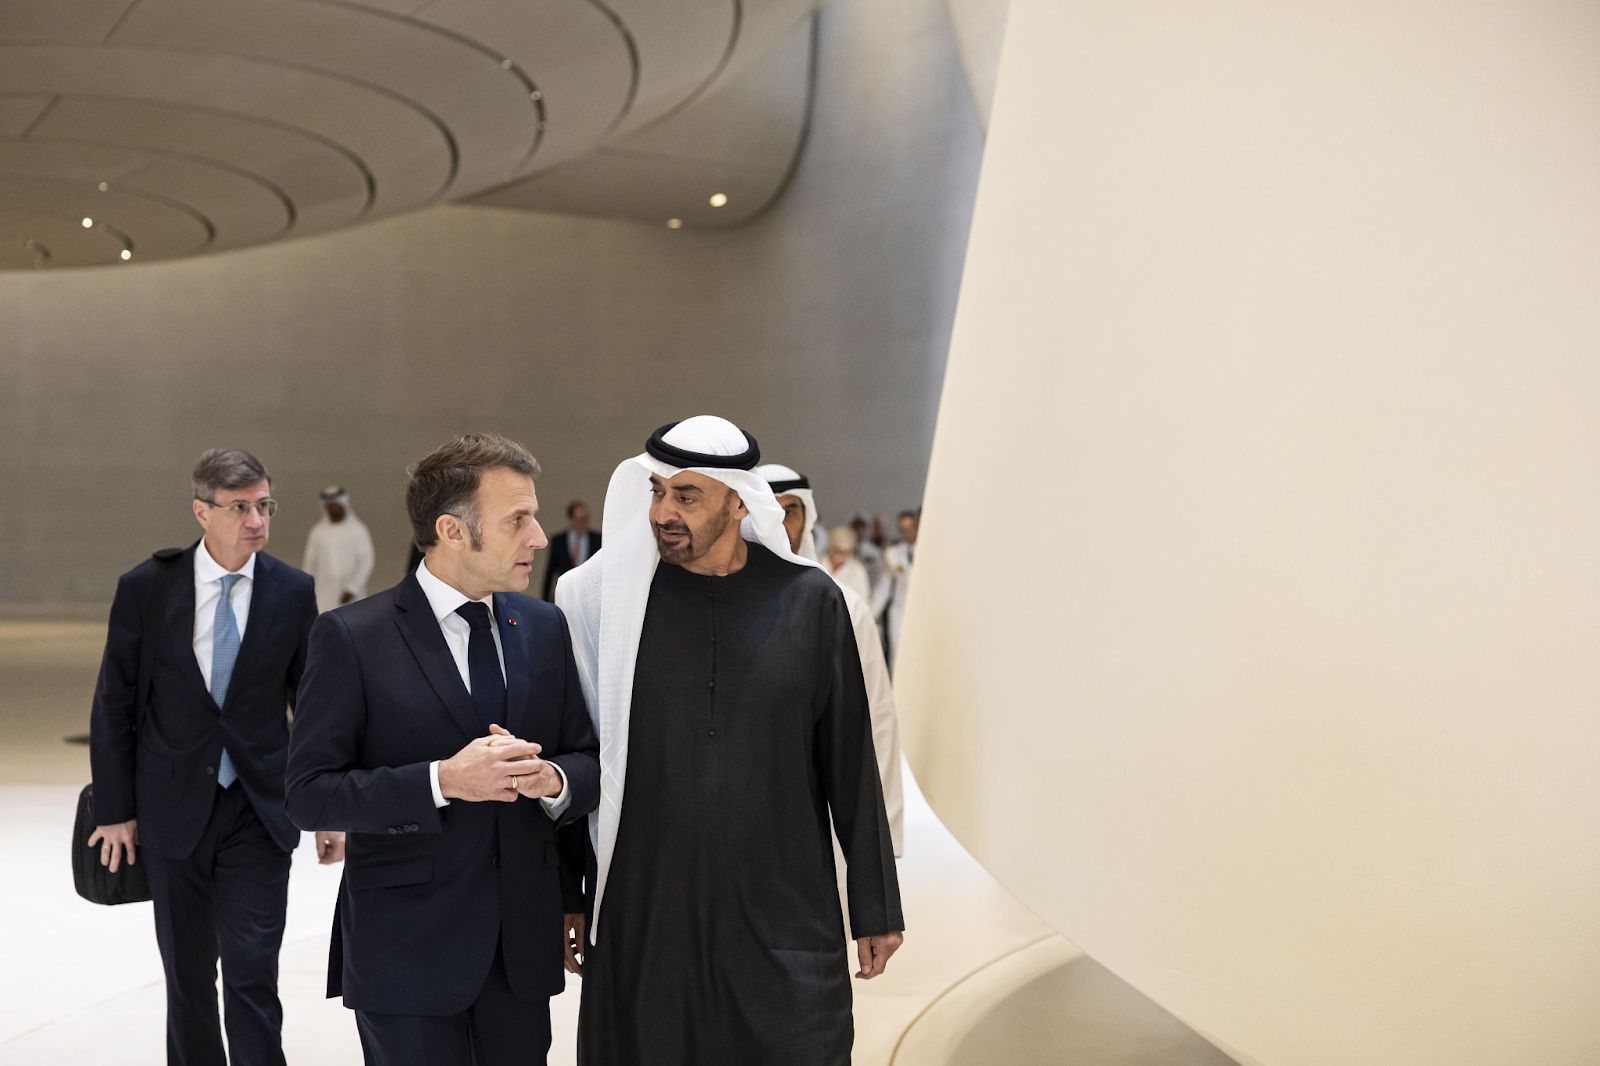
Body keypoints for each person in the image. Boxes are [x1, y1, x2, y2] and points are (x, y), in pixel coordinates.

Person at [556, 416, 904, 1066]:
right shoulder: (605, 601)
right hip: (646, 905)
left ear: (738, 502)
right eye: (658, 490)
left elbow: (852, 762)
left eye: (687, 497)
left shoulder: (811, 603)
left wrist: (875, 905)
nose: (663, 511)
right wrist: (569, 893)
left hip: (783, 903)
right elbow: (581, 752)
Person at [285, 433, 600, 1066]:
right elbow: (309, 792)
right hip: (406, 952)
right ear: (453, 531)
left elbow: (588, 762)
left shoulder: (543, 628)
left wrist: (551, 784)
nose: (538, 538)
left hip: (521, 951)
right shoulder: (353, 637)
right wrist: (441, 781)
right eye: (518, 520)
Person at [88, 447, 328, 1066]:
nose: (256, 519)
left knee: (252, 972)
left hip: (258, 808)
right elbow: (114, 705)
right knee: (189, 978)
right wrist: (114, 810)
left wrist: (327, 805)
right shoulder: (147, 588)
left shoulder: (292, 591)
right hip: (172, 811)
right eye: (240, 507)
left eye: (265, 505)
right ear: (202, 511)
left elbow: (314, 707)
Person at [759, 464, 905, 858]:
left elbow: (877, 718)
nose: (778, 522)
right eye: (766, 508)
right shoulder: (716, 605)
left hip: (822, 813)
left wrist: (882, 834)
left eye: (789, 510)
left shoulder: (843, 604)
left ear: (806, 519)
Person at [302, 485, 376, 613]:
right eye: (329, 507)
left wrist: (352, 588)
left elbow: (366, 561)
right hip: (323, 595)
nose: (332, 510)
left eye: (335, 506)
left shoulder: (358, 530)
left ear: (344, 505)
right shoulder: (318, 532)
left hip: (351, 597)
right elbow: (309, 564)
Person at [873, 509, 920, 667]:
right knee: (897, 654)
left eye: (910, 527)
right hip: (900, 610)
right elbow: (884, 588)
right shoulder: (893, 553)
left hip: (921, 611)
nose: (907, 533)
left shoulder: (927, 550)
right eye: (903, 529)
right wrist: (872, 613)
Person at [540, 499, 601, 601]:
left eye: (585, 518)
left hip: (590, 594)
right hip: (566, 593)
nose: (583, 523)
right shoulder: (559, 540)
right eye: (579, 519)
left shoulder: (597, 539)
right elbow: (550, 571)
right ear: (571, 520)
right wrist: (545, 599)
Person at [821, 526, 872, 603]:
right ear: (829, 548)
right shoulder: (817, 564)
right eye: (838, 551)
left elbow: (863, 600)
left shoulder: (858, 569)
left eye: (846, 552)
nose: (842, 557)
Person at [849, 511, 885, 590]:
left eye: (862, 528)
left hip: (869, 589)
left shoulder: (874, 552)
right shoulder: (846, 549)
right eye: (856, 528)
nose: (859, 531)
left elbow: (878, 575)